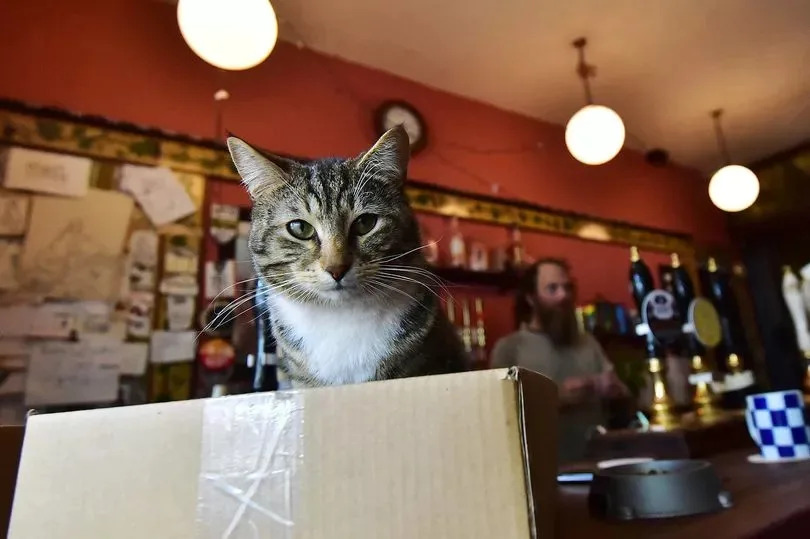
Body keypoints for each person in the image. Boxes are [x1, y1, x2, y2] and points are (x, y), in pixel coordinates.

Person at [491, 258, 628, 463]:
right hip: (542, 474)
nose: (563, 295)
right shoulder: (509, 348)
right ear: (531, 297)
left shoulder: (588, 343)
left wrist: (612, 388)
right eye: (552, 289)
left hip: (597, 466)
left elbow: (623, 395)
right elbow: (499, 414)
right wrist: (557, 396)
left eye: (567, 287)